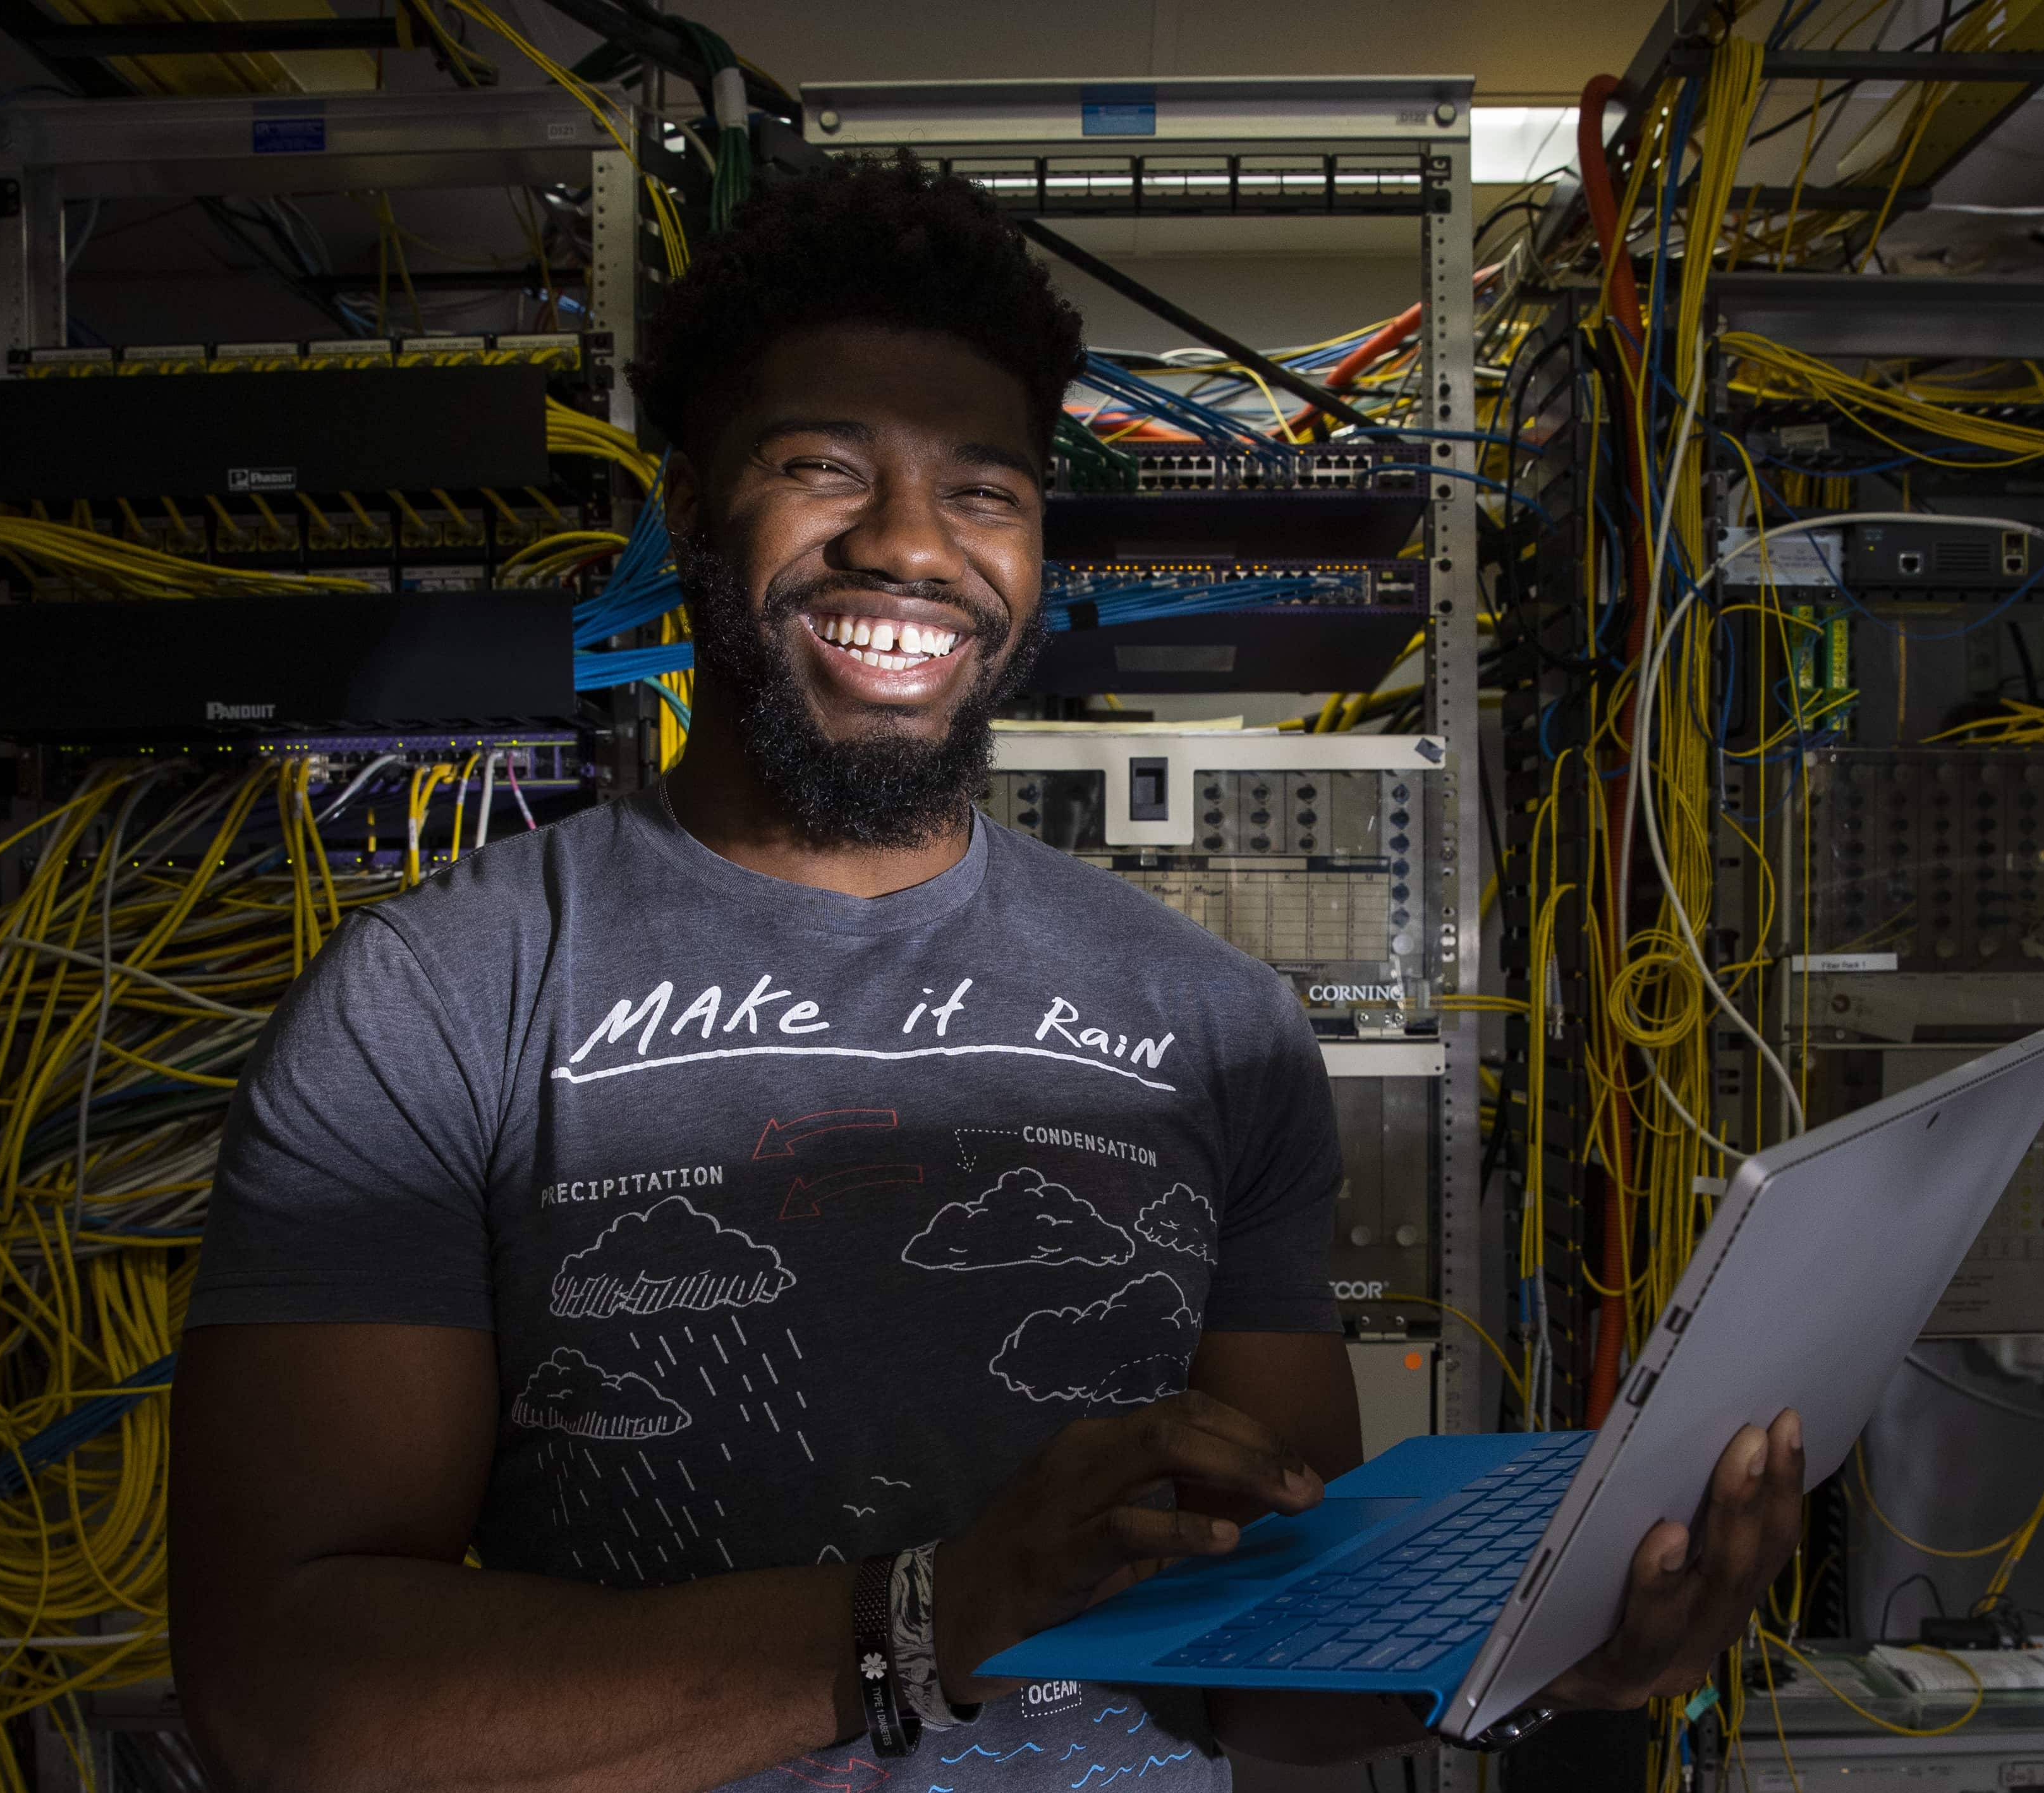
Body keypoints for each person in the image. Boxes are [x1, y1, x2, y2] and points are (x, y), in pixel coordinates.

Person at [169, 155, 1804, 1793]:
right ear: (686, 512)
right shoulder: (440, 1001)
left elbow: (1270, 1678)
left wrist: (1555, 1656)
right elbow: (291, 1699)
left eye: (984, 489)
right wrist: (926, 1619)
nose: (908, 545)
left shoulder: (1215, 1029)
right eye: (821, 466)